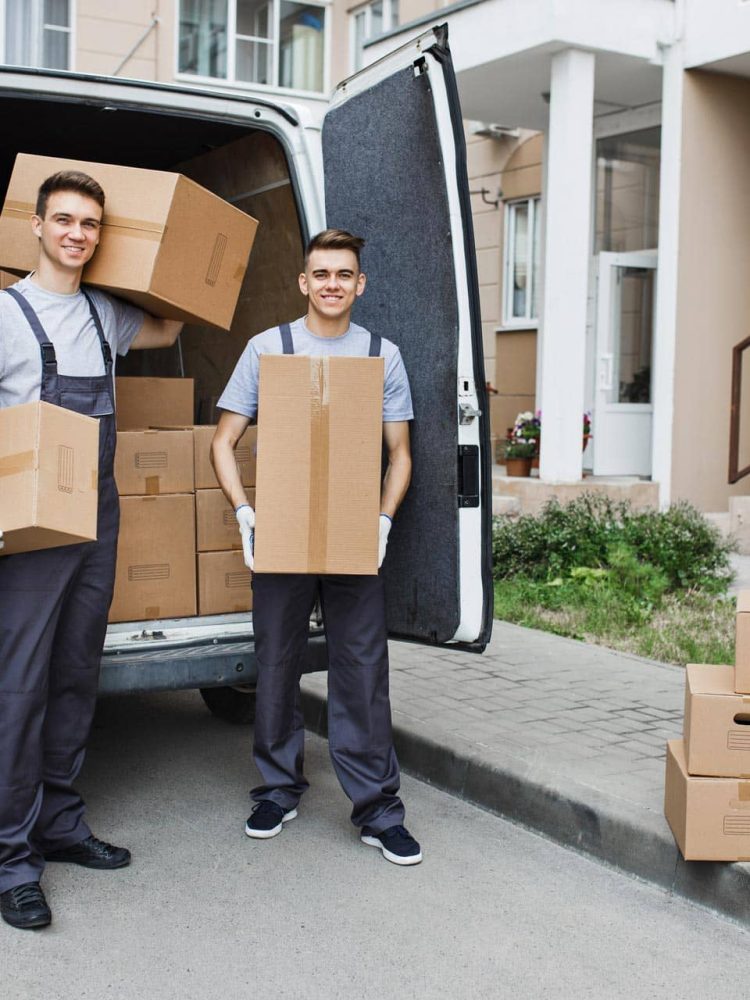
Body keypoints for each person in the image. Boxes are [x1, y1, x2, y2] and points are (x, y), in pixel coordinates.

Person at [0, 170, 183, 930]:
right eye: (65, 220)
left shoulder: (106, 313)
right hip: (31, 523)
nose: (77, 233)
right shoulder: (5, 314)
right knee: (20, 688)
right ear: (37, 226)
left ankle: (61, 824)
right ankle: (11, 858)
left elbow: (172, 329)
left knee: (78, 674)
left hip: (97, 516)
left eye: (91, 225)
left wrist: (161, 257)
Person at [212, 229, 421, 866]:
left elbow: (400, 454)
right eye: (321, 273)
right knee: (276, 662)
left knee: (361, 671)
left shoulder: (381, 355)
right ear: (304, 282)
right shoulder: (267, 348)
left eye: (344, 274)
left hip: (353, 534)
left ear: (360, 284)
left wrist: (383, 521)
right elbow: (223, 442)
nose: (332, 283)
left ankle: (379, 810)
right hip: (281, 531)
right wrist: (246, 512)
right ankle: (278, 787)